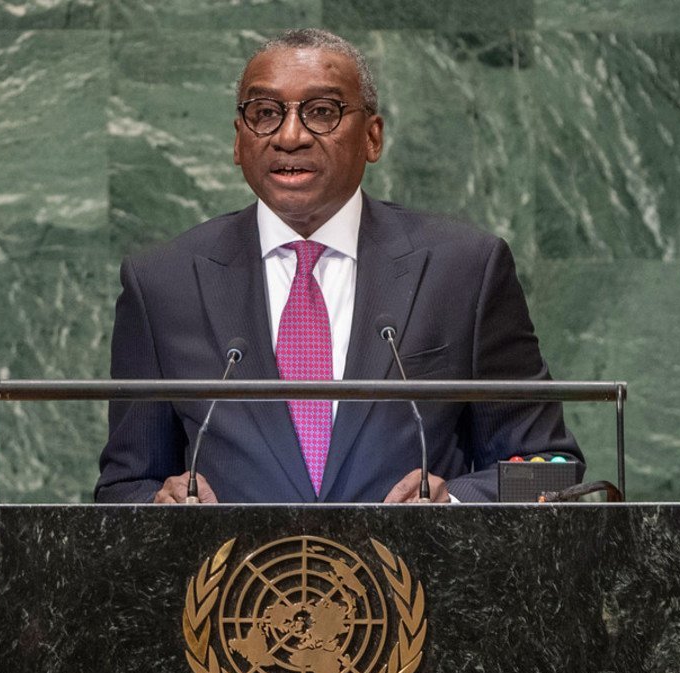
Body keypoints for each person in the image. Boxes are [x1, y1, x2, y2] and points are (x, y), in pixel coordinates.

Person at [95, 28, 582, 505]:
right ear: (238, 141)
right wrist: (162, 505)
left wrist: (453, 503)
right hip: (239, 584)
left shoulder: (465, 270)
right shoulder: (162, 283)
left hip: (417, 581)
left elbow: (553, 471)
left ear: (372, 137)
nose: (289, 136)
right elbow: (123, 488)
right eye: (264, 113)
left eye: (322, 112)